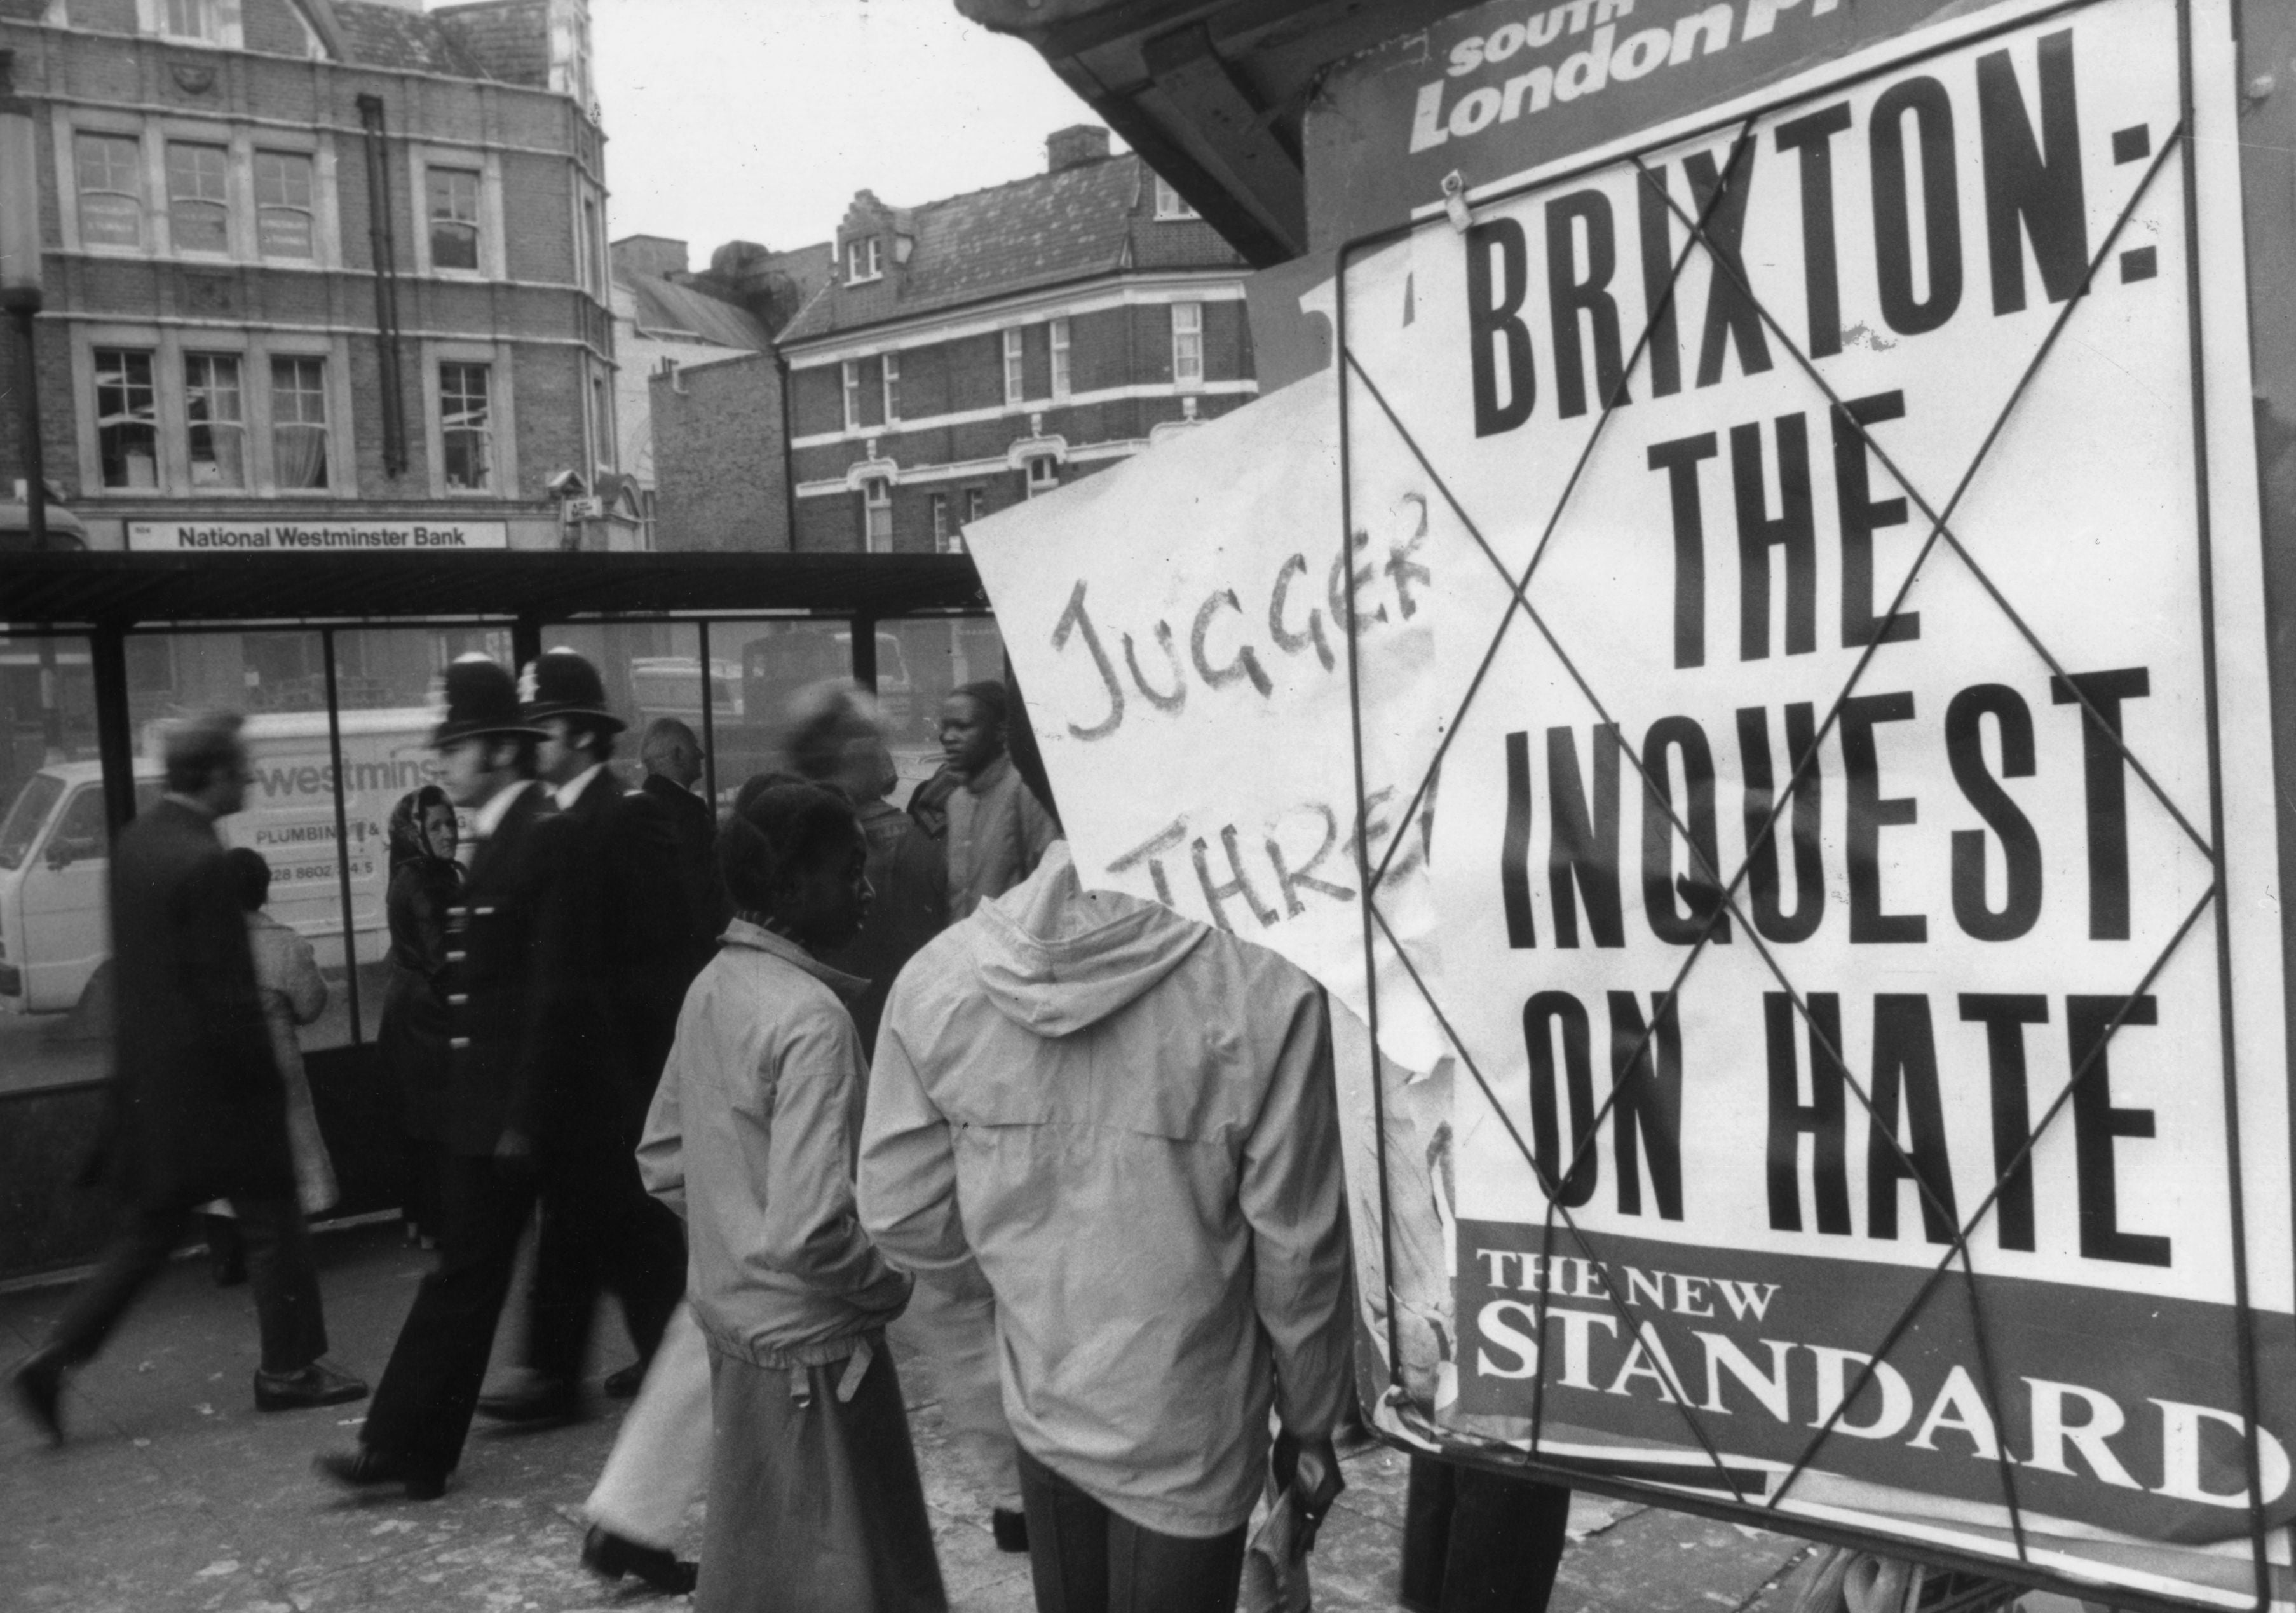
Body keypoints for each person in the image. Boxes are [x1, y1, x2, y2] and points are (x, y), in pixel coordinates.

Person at [859, 712, 1352, 1613]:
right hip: (1190, 1426)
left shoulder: (939, 979)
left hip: (1045, 1399)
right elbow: (1299, 1253)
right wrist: (1312, 1416)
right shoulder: (1265, 986)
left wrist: (1026, 1275)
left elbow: (900, 1209)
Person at [9, 711, 367, 1444]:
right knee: (274, 1223)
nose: (252, 779)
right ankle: (290, 1369)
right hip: (222, 1095)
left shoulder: (138, 842)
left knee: (147, 1235)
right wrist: (263, 1092)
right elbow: (225, 995)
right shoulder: (203, 860)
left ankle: (54, 1357)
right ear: (213, 775)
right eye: (242, 768)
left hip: (156, 1090)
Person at [638, 780, 946, 1613]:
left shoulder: (713, 984)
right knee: (852, 1575)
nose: (867, 890)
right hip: (818, 1353)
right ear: (787, 888)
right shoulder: (813, 1020)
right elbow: (813, 1232)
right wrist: (890, 1284)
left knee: (766, 1573)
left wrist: (736, 1238)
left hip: (738, 1337)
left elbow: (663, 1158)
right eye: (849, 872)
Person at [316, 657, 566, 1499]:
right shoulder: (505, 830)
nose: (441, 761)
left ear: (496, 747)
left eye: (454, 746)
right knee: (469, 1275)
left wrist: (523, 1114)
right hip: (494, 1111)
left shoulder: (535, 831)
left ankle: (405, 1446)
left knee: (480, 1274)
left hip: (521, 1115)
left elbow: (546, 990)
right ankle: (413, 1448)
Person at [476, 648, 692, 1424]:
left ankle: (684, 1378)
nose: (530, 743)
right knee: (580, 1230)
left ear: (573, 734)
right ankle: (554, 1374)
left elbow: (655, 959)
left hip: (617, 1082)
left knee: (632, 1245)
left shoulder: (626, 818)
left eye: (539, 728)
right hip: (582, 1080)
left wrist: (639, 1077)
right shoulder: (558, 819)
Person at [784, 683, 946, 1056]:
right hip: (875, 1019)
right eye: (872, 742)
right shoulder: (898, 838)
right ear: (851, 750)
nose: (882, 754)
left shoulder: (792, 829)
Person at [377, 785, 462, 1249]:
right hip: (428, 1014)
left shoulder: (411, 872)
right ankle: (439, 1225)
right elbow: (442, 957)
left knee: (420, 1125)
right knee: (438, 1123)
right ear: (414, 832)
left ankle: (422, 1222)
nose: (449, 834)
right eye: (437, 826)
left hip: (408, 1009)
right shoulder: (429, 882)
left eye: (452, 823)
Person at [936, 680, 1056, 922]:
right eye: (945, 727)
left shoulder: (1026, 791)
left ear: (1000, 731)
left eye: (963, 727)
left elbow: (1050, 889)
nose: (948, 737)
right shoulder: (956, 801)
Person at [640, 716, 723, 970]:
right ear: (677, 754)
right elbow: (701, 894)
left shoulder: (642, 807)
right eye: (694, 747)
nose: (701, 754)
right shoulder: (687, 814)